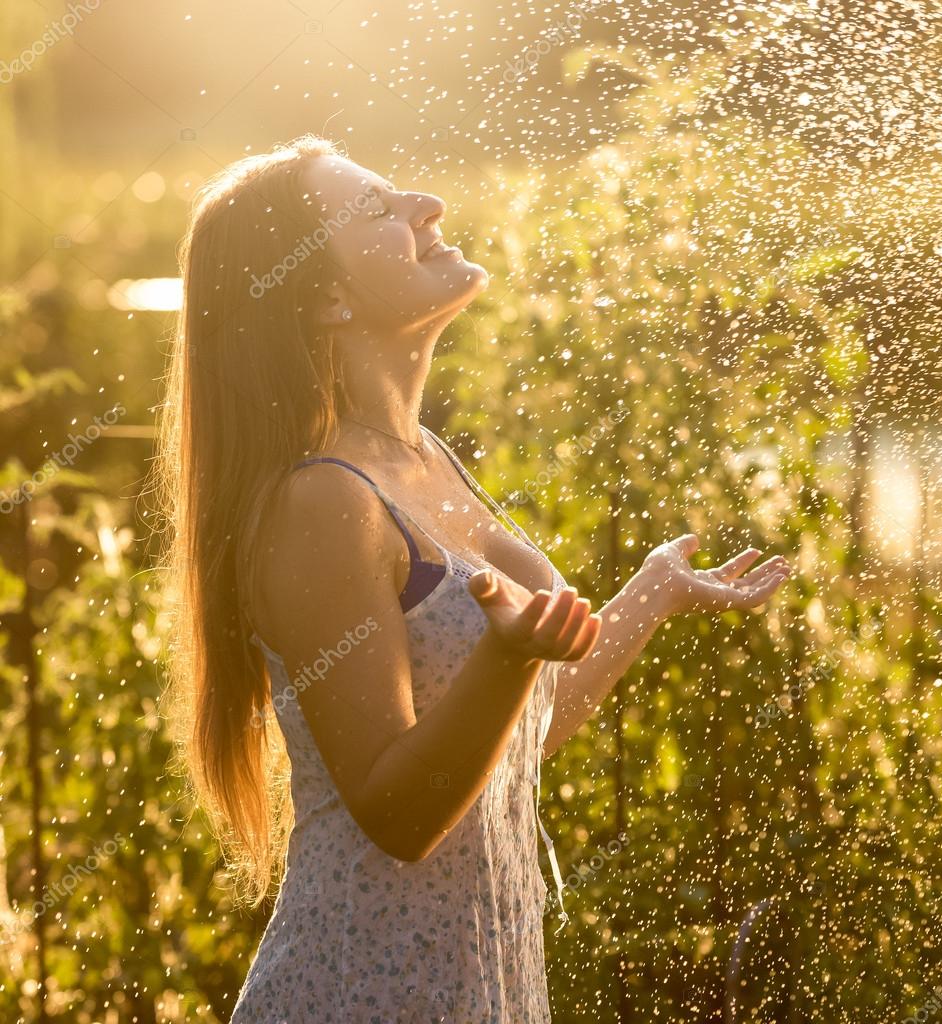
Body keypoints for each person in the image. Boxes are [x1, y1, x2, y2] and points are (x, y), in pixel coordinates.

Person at [155, 133, 792, 1023]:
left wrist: (653, 590)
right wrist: (503, 658)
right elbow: (398, 812)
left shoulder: (425, 462)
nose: (428, 205)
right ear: (328, 296)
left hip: (477, 989)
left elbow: (511, 739)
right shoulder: (324, 502)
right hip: (361, 992)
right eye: (378, 209)